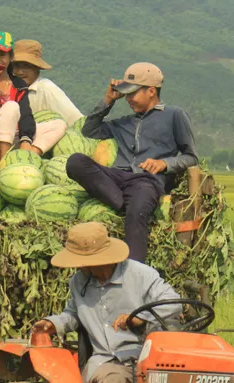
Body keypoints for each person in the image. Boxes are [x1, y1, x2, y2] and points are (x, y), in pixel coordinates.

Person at [32, 223, 181, 383]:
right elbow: (73, 314)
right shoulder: (79, 282)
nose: (76, 266)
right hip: (104, 364)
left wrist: (140, 317)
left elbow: (174, 303)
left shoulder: (140, 275)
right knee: (114, 380)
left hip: (144, 359)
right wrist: (54, 324)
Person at [69, 63, 197, 261]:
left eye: (132, 94)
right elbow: (89, 130)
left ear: (151, 91)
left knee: (136, 214)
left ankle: (135, 273)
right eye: (125, 94)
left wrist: (164, 163)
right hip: (117, 176)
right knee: (75, 162)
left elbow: (191, 156)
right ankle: (122, 204)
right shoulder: (123, 122)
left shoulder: (174, 115)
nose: (127, 99)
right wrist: (108, 100)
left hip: (147, 180)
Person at [8, 39, 82, 152]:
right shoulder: (8, 87)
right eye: (17, 66)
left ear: (37, 68)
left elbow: (76, 121)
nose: (20, 71)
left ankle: (31, 154)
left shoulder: (46, 89)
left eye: (26, 66)